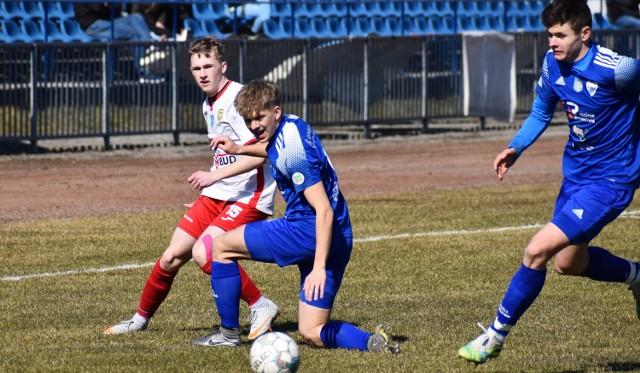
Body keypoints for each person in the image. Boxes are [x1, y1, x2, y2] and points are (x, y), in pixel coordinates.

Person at [458, 0, 640, 364]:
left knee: (536, 250)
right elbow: (541, 111)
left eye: (560, 35)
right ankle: (636, 275)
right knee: (568, 263)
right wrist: (515, 148)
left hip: (611, 181)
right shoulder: (551, 65)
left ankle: (493, 337)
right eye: (549, 34)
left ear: (584, 34)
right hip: (575, 178)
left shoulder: (619, 69)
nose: (552, 42)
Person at [190, 80, 399, 354]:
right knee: (311, 331)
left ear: (275, 112)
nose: (254, 126)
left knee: (220, 247)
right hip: (339, 236)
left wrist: (318, 267)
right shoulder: (293, 124)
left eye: (259, 117)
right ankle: (372, 343)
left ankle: (228, 333)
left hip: (307, 232)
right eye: (248, 120)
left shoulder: (294, 155)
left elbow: (322, 209)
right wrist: (239, 148)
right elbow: (271, 149)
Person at [104, 37, 280, 341]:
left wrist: (214, 178)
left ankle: (261, 305)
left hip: (248, 196)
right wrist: (210, 189)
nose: (202, 73)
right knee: (171, 256)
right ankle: (139, 320)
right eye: (196, 67)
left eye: (208, 65)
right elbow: (225, 155)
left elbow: (259, 152)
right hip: (218, 195)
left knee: (205, 252)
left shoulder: (239, 99)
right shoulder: (208, 103)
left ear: (222, 66)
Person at [73, 2, 165, 83]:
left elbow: (114, 9)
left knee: (136, 17)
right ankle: (143, 71)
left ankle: (150, 44)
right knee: (132, 32)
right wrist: (109, 5)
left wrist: (109, 5)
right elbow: (100, 9)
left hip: (107, 22)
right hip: (93, 26)